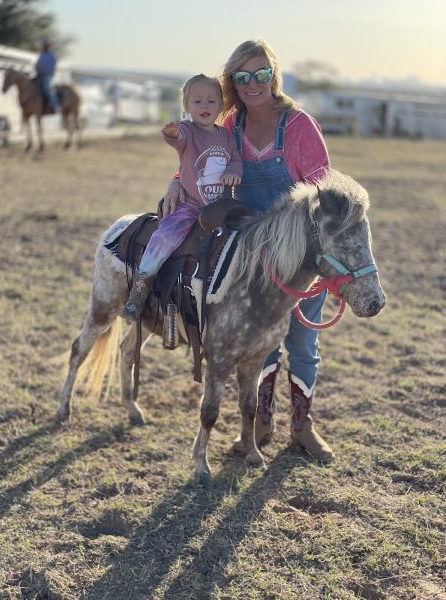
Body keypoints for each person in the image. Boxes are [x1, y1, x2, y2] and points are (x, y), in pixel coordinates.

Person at [162, 40, 333, 463]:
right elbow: (203, 158)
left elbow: (323, 195)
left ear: (273, 75)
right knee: (261, 344)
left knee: (303, 344)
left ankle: (302, 426)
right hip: (252, 257)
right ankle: (262, 421)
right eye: (243, 76)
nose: (253, 83)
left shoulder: (298, 126)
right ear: (233, 82)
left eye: (261, 74)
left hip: (301, 260)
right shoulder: (231, 123)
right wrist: (174, 181)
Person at [121, 74, 242, 321]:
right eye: (197, 102)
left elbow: (236, 160)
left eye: (211, 101)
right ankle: (140, 288)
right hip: (190, 205)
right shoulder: (188, 130)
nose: (205, 106)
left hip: (220, 207)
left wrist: (232, 172)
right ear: (186, 107)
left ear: (221, 105)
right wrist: (172, 133)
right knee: (165, 236)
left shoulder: (226, 136)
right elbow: (177, 139)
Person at [35, 39, 59, 112]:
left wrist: (45, 71)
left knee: (47, 89)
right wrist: (37, 68)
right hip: (39, 74)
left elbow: (52, 67)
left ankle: (54, 106)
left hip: (48, 75)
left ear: (49, 46)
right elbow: (38, 64)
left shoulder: (52, 56)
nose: (44, 47)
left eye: (46, 45)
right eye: (44, 45)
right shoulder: (42, 55)